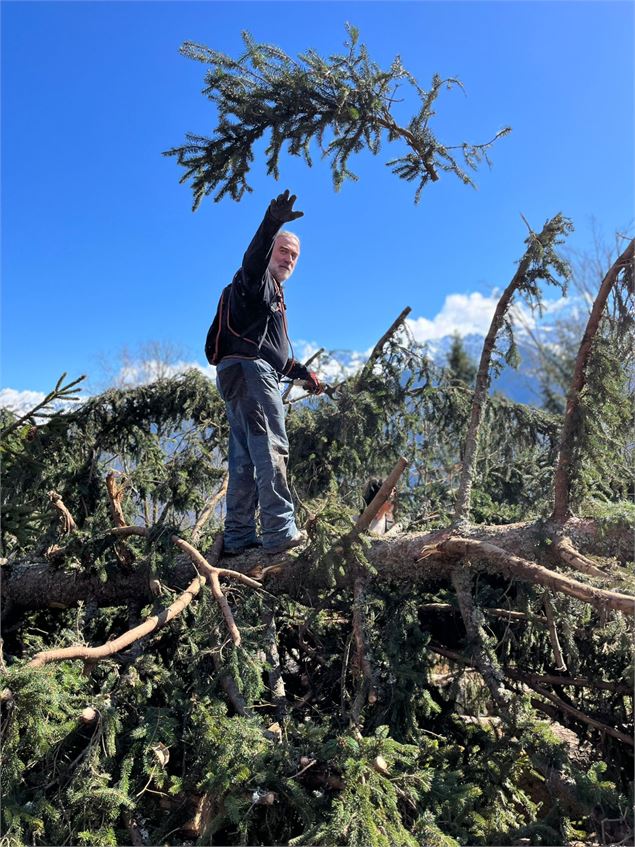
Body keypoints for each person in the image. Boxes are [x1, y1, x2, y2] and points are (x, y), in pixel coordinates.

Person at [213, 190, 323, 556]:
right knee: (272, 447)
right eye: (283, 251)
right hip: (251, 374)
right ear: (270, 252)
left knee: (244, 458)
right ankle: (279, 531)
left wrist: (303, 373)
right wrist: (272, 223)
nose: (288, 259)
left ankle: (238, 537)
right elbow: (253, 257)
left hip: (239, 374)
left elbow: (274, 354)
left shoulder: (269, 296)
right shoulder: (256, 280)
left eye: (294, 256)